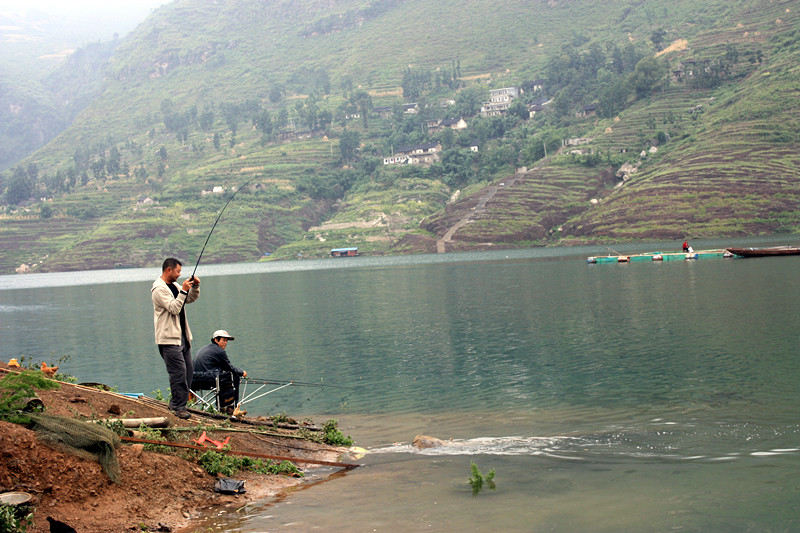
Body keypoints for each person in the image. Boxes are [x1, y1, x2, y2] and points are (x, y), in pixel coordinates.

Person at [151, 257, 200, 419]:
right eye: (178, 271)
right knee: (178, 373)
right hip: (168, 339)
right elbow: (174, 308)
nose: (179, 274)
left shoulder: (175, 286)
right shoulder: (159, 289)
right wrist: (184, 291)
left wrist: (194, 287)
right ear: (168, 270)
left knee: (188, 372)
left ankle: (179, 403)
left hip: (182, 337)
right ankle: (178, 407)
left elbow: (189, 299)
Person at [192, 330, 247, 413]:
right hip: (208, 381)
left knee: (223, 376)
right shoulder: (219, 351)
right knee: (234, 376)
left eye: (227, 341)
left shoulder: (204, 348)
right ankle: (232, 407)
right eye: (224, 340)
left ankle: (221, 407)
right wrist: (242, 372)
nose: (226, 343)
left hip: (193, 381)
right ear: (216, 340)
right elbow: (229, 368)